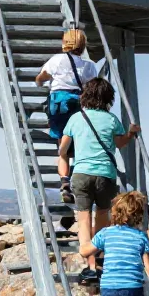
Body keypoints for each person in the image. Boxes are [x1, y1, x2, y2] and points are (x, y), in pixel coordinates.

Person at [59, 77, 140, 279]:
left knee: (84, 218)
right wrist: (130, 134)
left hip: (81, 173)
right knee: (102, 216)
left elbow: (63, 148)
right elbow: (119, 143)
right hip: (105, 174)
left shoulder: (76, 118)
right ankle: (101, 256)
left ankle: (90, 265)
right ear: (107, 98)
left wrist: (64, 157)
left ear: (85, 96)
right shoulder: (112, 120)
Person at [35, 29, 98, 205]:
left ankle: (64, 183)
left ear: (65, 43)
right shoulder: (90, 66)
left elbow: (42, 76)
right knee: (78, 146)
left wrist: (39, 82)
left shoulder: (56, 60)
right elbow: (93, 88)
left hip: (59, 105)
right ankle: (81, 183)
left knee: (62, 149)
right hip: (78, 105)